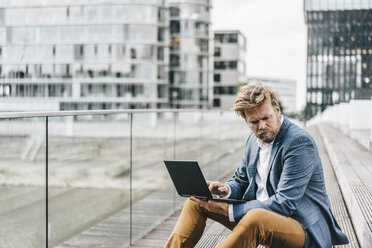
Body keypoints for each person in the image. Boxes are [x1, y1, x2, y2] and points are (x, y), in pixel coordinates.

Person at [165, 83, 349, 247]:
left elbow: (284, 203)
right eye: (254, 122)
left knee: (254, 218)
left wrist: (228, 209)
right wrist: (225, 190)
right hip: (261, 219)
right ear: (246, 122)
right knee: (197, 202)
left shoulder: (299, 143)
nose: (261, 126)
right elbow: (242, 179)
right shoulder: (253, 141)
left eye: (266, 118)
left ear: (277, 111)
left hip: (303, 228)